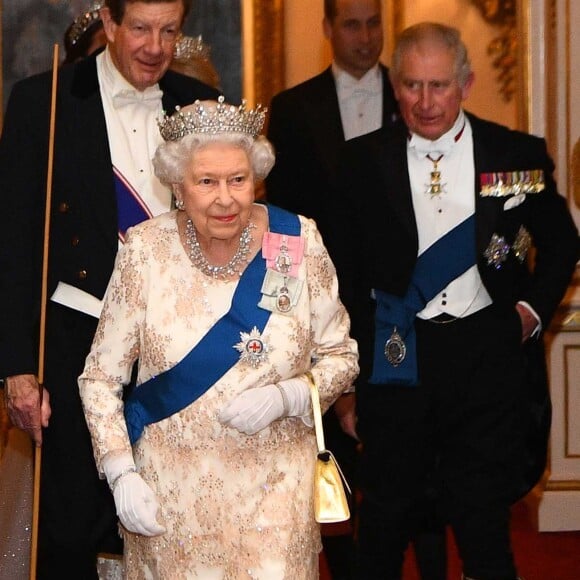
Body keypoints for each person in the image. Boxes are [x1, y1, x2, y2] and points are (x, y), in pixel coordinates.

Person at [328, 22, 579, 580]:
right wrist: (346, 378)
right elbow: (339, 273)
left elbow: (562, 242)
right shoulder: (360, 162)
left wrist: (530, 312)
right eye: (412, 86)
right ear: (396, 89)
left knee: (484, 524)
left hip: (484, 354)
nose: (425, 102)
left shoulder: (516, 154)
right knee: (385, 523)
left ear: (465, 84)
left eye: (439, 86)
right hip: (397, 355)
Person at [77, 97, 359, 578]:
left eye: (238, 179)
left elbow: (341, 354)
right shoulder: (145, 252)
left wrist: (290, 396)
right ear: (177, 185)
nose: (225, 198)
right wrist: (121, 470)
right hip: (170, 501)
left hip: (276, 497)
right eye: (206, 182)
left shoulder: (296, 241)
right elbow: (100, 377)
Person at [0, 0, 219, 577]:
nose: (154, 46)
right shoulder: (43, 101)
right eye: (141, 29)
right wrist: (19, 368)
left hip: (175, 349)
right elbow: (15, 241)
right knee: (70, 528)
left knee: (166, 521)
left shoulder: (195, 107)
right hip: (76, 337)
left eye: (169, 31)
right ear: (109, 23)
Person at [266, 2, 447, 578]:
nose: (366, 37)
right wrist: (284, 304)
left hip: (411, 306)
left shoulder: (418, 98)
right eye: (352, 24)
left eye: (374, 24)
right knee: (333, 455)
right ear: (327, 29)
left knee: (418, 456)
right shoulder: (293, 110)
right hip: (328, 308)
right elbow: (281, 220)